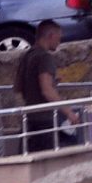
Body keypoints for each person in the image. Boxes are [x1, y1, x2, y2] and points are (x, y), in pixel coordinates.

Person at [13, 19, 80, 153]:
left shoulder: (27, 56)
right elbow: (47, 90)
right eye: (58, 38)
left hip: (29, 117)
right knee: (46, 160)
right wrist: (69, 113)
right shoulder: (44, 57)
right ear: (51, 36)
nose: (59, 42)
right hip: (43, 119)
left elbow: (18, 87)